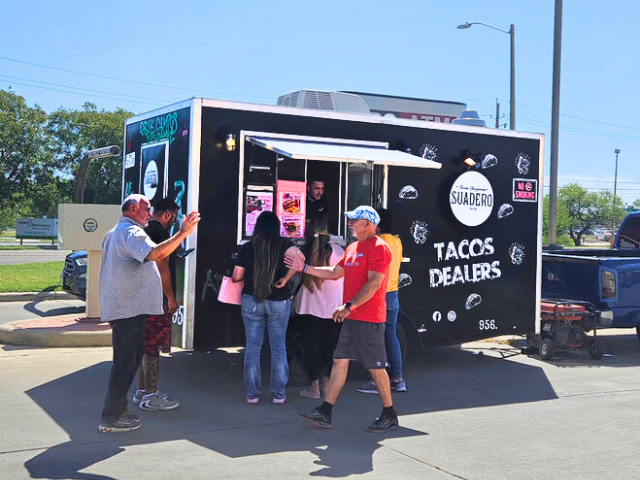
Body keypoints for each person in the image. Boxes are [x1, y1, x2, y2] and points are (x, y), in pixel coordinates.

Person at [286, 205, 399, 433]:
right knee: (339, 361)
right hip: (352, 317)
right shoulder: (354, 248)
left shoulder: (380, 248)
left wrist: (349, 306)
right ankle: (326, 411)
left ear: (368, 224)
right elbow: (334, 273)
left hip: (369, 318)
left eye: (354, 220)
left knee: (376, 368)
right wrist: (305, 267)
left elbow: (375, 283)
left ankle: (390, 414)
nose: (350, 224)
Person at [98, 194, 200, 434]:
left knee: (130, 361)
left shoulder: (115, 232)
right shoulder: (131, 233)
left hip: (127, 309)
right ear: (133, 209)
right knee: (124, 365)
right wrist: (183, 233)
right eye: (147, 208)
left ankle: (119, 411)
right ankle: (111, 417)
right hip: (129, 311)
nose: (150, 213)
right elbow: (156, 255)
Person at [232, 211, 301, 404]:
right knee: (278, 347)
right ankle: (278, 394)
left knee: (253, 348)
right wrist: (286, 279)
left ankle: (252, 394)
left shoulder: (248, 247)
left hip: (252, 301)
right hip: (279, 301)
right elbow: (300, 260)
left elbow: (237, 276)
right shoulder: (285, 245)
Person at [131, 197, 181, 411]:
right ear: (168, 214)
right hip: (156, 300)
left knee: (145, 347)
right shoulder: (160, 234)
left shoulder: (142, 232)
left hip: (140, 299)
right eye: (175, 218)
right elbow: (163, 268)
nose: (175, 222)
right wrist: (170, 297)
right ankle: (151, 396)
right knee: (152, 349)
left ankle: (142, 391)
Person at [356, 208, 407, 394]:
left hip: (378, 295)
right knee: (391, 336)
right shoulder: (397, 241)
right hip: (393, 293)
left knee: (375, 339)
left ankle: (377, 382)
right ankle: (399, 379)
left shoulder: (375, 243)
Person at [294, 220, 344, 399]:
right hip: (334, 308)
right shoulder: (338, 251)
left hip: (308, 308)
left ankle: (314, 388)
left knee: (311, 348)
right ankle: (326, 385)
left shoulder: (303, 253)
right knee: (330, 348)